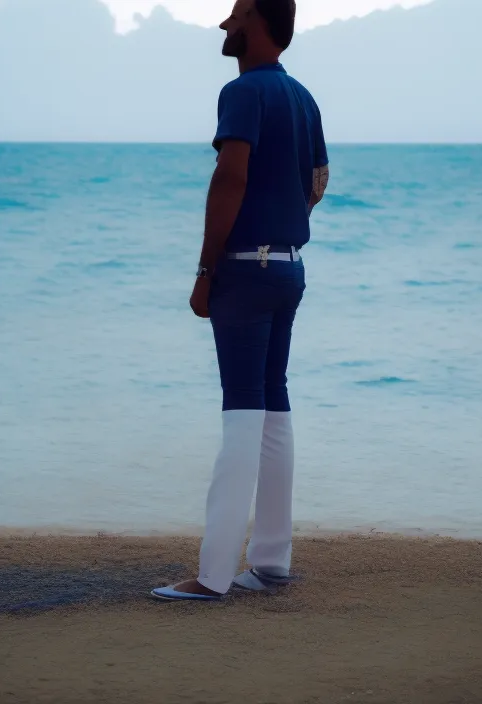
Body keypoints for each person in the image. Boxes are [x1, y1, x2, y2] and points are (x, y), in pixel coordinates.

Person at [152, 0, 329, 602]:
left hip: (246, 272)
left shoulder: (244, 92)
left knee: (240, 412)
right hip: (288, 268)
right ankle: (271, 562)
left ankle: (213, 575)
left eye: (233, 15)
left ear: (255, 19)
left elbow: (229, 177)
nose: (224, 26)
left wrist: (207, 269)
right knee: (273, 407)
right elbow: (318, 182)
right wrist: (284, 221)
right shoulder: (303, 97)